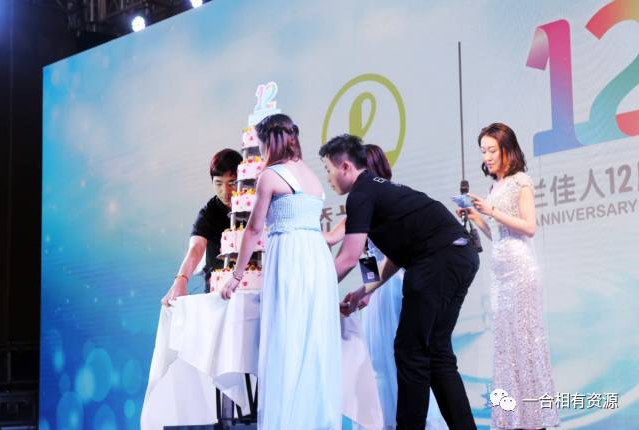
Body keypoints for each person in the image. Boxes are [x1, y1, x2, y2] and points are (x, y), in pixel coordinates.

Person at [320, 134, 479, 430]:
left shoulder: (361, 195)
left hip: (429, 268)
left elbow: (349, 256)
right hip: (456, 257)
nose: (327, 179)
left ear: (345, 167)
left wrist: (316, 291)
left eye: (328, 170)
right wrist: (364, 291)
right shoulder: (385, 193)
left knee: (410, 352)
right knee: (436, 353)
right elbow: (390, 253)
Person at [221, 114, 341, 429]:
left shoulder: (270, 176)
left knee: (287, 338)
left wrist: (236, 276)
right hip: (316, 258)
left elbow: (253, 229)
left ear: (269, 141)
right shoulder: (312, 176)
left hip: (291, 256)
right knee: (313, 341)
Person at [460, 123, 559, 430]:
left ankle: (537, 420)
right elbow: (498, 235)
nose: (487, 157)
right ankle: (515, 419)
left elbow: (529, 227)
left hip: (522, 271)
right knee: (507, 348)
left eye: (492, 150)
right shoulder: (496, 187)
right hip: (501, 274)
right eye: (483, 151)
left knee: (527, 343)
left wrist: (491, 211)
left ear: (507, 149)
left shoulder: (520, 182)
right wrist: (476, 217)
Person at [161, 148, 242, 305]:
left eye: (232, 183)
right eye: (218, 183)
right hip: (217, 294)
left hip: (253, 288)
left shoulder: (256, 204)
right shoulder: (208, 213)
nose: (225, 191)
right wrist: (181, 280)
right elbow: (196, 247)